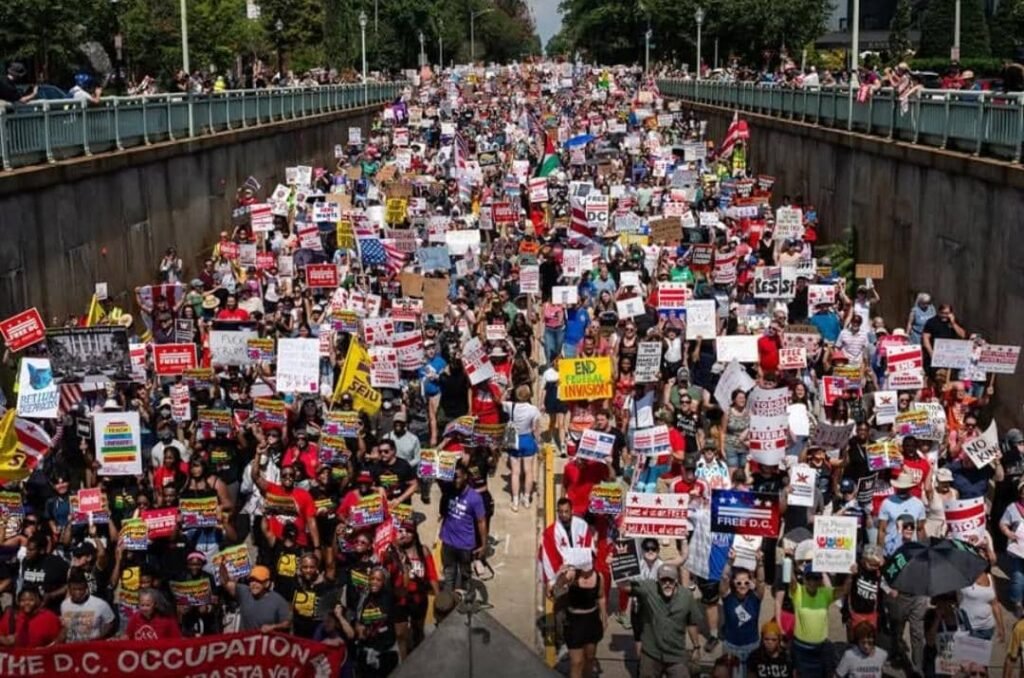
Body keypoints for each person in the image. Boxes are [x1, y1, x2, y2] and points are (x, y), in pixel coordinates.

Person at [622, 564, 702, 678]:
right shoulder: (649, 589)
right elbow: (625, 587)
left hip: (676, 654)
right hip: (652, 653)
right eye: (663, 580)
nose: (667, 583)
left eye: (671, 580)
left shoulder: (687, 596)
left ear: (676, 580)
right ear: (658, 580)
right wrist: (617, 567)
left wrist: (696, 647)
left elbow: (692, 623)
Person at [556, 552, 606, 678]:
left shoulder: (599, 577)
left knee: (589, 658)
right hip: (574, 623)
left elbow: (601, 597)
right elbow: (559, 585)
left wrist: (604, 617)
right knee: (577, 662)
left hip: (592, 621)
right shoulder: (573, 576)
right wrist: (563, 574)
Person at [438, 464, 487, 591]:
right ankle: (449, 598)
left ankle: (466, 598)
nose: (455, 480)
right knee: (449, 575)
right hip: (448, 542)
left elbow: (481, 521)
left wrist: (483, 544)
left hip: (465, 545)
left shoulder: (474, 498)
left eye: (457, 477)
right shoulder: (448, 491)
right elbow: (437, 477)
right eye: (452, 477)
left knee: (466, 576)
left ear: (465, 476)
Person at [219, 563, 291, 632]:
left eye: (258, 581)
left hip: (265, 640)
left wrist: (273, 627)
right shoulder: (244, 592)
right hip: (246, 639)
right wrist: (222, 566)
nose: (254, 584)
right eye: (252, 580)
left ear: (267, 583)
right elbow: (225, 583)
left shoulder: (278, 601)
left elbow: (287, 623)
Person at [503, 384, 541, 510]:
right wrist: (537, 442)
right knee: (529, 471)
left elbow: (500, 401)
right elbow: (536, 428)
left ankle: (515, 501)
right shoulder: (533, 409)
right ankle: (526, 498)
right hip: (528, 439)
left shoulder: (510, 406)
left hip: (514, 440)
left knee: (515, 472)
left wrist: (507, 392)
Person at [60, 568, 115, 642]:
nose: (77, 593)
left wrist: (99, 638)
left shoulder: (100, 604)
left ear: (86, 588)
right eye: (74, 589)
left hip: (91, 646)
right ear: (69, 589)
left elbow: (110, 622)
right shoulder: (64, 605)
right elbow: (65, 628)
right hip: (71, 646)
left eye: (80, 589)